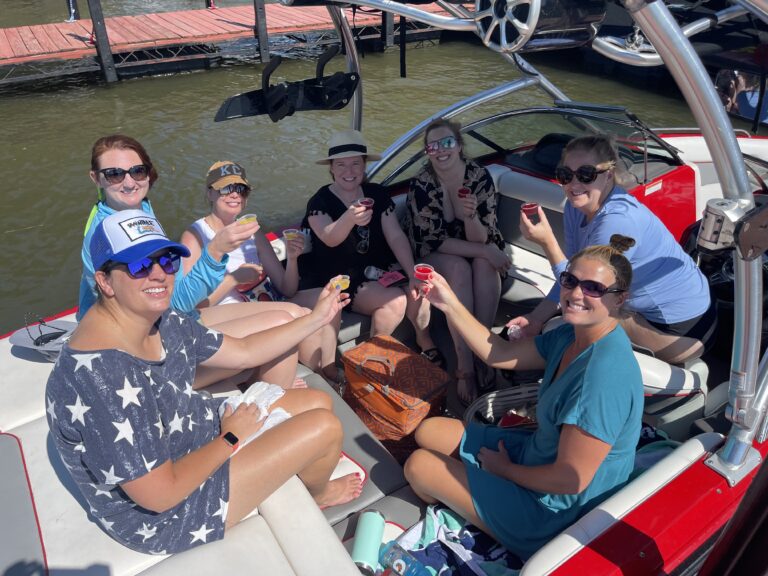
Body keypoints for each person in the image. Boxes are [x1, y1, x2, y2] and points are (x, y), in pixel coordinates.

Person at [46, 210, 362, 555]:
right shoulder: (99, 380)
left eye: (166, 261)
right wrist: (230, 437)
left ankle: (293, 475)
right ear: (105, 281)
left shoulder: (158, 318)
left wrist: (317, 319)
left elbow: (243, 351)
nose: (159, 275)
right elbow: (159, 495)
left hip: (185, 433)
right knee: (325, 428)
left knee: (318, 402)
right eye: (139, 266)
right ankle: (319, 495)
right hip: (162, 517)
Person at [404, 236, 643, 561]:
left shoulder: (601, 378)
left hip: (556, 514)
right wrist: (448, 301)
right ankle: (476, 496)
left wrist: (504, 471)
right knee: (429, 430)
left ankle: (485, 508)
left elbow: (570, 480)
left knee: (419, 466)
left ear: (619, 299)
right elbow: (499, 353)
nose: (575, 294)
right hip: (537, 457)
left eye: (593, 288)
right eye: (570, 281)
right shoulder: (572, 334)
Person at [78, 135, 305, 389]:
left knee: (292, 316)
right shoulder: (110, 232)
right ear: (96, 178)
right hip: (143, 353)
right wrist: (216, 251)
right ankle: (269, 399)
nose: (130, 182)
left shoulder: (136, 210)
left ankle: (262, 385)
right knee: (284, 324)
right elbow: (175, 303)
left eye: (138, 171)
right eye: (114, 174)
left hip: (166, 323)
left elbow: (173, 301)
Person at [509, 134, 714, 364]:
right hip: (638, 306)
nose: (574, 185)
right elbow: (572, 273)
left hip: (684, 327)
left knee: (585, 314)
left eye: (586, 175)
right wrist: (535, 319)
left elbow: (584, 288)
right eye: (565, 175)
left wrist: (547, 243)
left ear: (608, 175)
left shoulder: (617, 221)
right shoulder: (575, 207)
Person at [181, 161, 340, 383]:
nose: (235, 195)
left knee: (332, 297)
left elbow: (286, 288)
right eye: (226, 188)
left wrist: (292, 259)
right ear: (209, 193)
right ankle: (319, 374)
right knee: (297, 314)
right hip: (220, 315)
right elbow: (191, 306)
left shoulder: (252, 232)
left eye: (241, 189)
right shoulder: (196, 236)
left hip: (262, 300)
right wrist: (232, 280)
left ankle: (327, 369)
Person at [301, 129, 439, 362]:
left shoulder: (377, 194)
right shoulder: (320, 201)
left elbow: (395, 236)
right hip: (343, 278)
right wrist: (349, 218)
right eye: (341, 165)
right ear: (331, 168)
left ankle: (425, 341)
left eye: (355, 164)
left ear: (364, 166)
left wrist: (411, 272)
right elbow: (329, 237)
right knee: (394, 303)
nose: (349, 171)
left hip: (381, 268)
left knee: (420, 292)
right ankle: (371, 360)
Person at [404, 119, 510, 403]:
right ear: (427, 151)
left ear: (459, 145)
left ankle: (485, 351)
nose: (440, 150)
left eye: (447, 142)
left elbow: (481, 239)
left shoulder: (478, 177)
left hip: (479, 245)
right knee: (459, 268)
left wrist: (471, 217)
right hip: (437, 251)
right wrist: (487, 251)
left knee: (483, 264)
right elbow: (434, 240)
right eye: (432, 146)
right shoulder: (423, 185)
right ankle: (465, 365)